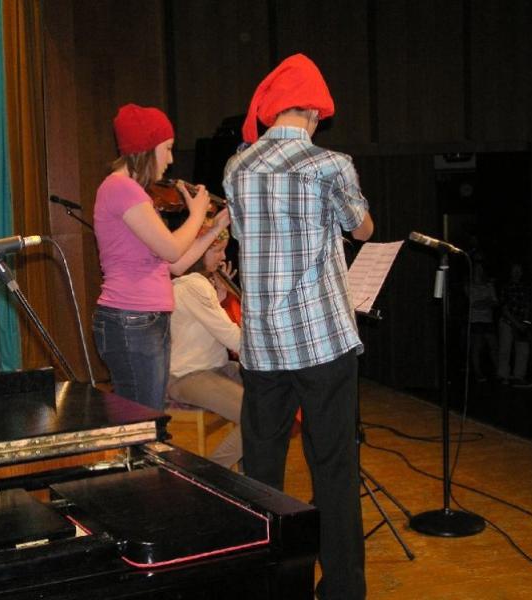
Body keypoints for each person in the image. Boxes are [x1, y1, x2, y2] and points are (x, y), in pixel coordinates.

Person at [223, 54, 373, 600]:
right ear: (312, 110)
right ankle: (342, 590)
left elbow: (243, 236)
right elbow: (362, 228)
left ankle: (271, 586)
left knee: (262, 473)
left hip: (263, 345)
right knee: (333, 467)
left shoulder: (236, 168)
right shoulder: (330, 164)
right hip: (322, 339)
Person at [93, 103, 230, 411]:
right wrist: (197, 214)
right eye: (167, 149)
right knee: (142, 418)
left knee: (146, 415)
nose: (170, 159)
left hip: (144, 320)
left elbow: (176, 264)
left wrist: (214, 228)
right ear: (146, 148)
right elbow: (171, 249)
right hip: (132, 319)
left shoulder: (134, 193)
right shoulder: (121, 188)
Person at [168, 228, 242, 469]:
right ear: (197, 252)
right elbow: (231, 337)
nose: (223, 257)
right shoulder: (193, 285)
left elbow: (202, 329)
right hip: (189, 375)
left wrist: (219, 299)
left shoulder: (197, 285)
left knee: (270, 398)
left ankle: (249, 477)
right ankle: (210, 475)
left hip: (214, 368)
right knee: (258, 415)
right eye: (217, 250)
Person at [497, 262, 532, 388]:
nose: (517, 272)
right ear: (511, 272)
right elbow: (504, 308)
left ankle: (519, 377)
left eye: (519, 270)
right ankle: (503, 376)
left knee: (523, 350)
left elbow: (527, 306)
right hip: (507, 322)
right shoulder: (506, 287)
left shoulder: (525, 288)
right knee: (505, 349)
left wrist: (525, 323)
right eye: (515, 270)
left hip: (521, 323)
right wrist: (516, 323)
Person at [466, 256, 498, 382]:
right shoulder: (469, 286)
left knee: (493, 345)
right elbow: (474, 303)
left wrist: (485, 302)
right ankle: (478, 372)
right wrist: (487, 301)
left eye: (481, 269)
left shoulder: (489, 285)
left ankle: (498, 371)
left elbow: (495, 302)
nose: (479, 271)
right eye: (477, 269)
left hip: (488, 320)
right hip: (475, 320)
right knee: (477, 347)